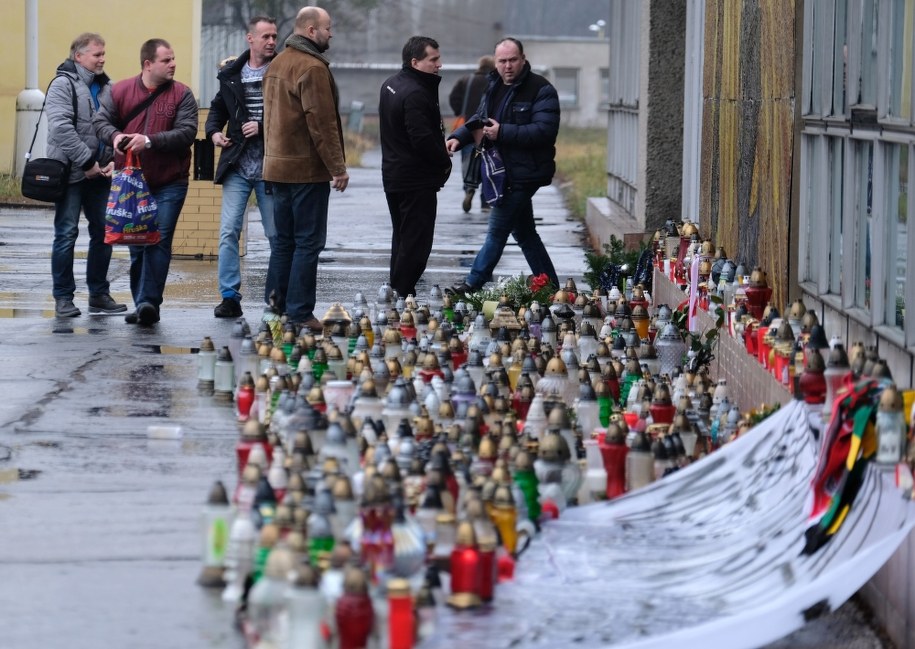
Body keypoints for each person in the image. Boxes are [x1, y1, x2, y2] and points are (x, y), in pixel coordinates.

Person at [94, 38, 198, 326]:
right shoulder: (120, 91)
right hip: (131, 182)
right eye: (167, 60)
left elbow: (187, 132)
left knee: (158, 239)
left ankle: (149, 301)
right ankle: (142, 303)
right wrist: (115, 137)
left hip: (170, 181)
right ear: (148, 64)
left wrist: (149, 141)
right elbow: (100, 122)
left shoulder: (182, 94)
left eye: (174, 58)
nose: (173, 64)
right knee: (137, 243)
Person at [446, 38, 560, 294]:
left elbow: (544, 131)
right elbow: (479, 119)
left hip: (524, 174)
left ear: (523, 58)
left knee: (496, 230)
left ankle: (472, 283)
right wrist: (458, 137)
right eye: (502, 61)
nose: (507, 66)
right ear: (495, 62)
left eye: (512, 60)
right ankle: (553, 288)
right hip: (501, 173)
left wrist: (503, 132)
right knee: (526, 235)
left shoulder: (541, 89)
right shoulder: (494, 86)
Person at [263, 6, 348, 333]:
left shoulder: (277, 63)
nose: (331, 33)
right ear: (311, 30)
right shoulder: (311, 67)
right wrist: (337, 167)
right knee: (308, 243)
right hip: (305, 171)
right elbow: (322, 123)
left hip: (276, 169)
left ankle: (276, 307)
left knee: (283, 243)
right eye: (328, 28)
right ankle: (299, 313)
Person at [47, 33, 125, 318]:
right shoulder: (62, 84)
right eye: (96, 54)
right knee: (66, 233)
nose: (102, 59)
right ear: (78, 56)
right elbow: (60, 128)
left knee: (104, 232)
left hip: (102, 173)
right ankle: (64, 298)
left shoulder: (108, 87)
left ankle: (98, 294)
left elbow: (117, 126)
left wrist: (114, 161)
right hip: (70, 174)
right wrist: (87, 162)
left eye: (104, 54)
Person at [206, 16, 278, 319]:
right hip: (237, 165)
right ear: (251, 39)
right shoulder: (231, 73)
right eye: (266, 37)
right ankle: (229, 297)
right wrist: (214, 133)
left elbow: (292, 117)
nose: (272, 42)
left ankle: (276, 295)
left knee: (277, 235)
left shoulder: (281, 72)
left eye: (275, 36)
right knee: (228, 233)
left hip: (271, 167)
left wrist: (261, 127)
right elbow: (217, 109)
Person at [379, 36, 452, 300]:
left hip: (395, 175)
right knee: (416, 245)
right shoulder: (416, 93)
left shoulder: (391, 84)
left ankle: (401, 293)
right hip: (415, 180)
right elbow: (421, 139)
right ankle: (398, 295)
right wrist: (444, 163)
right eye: (433, 60)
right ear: (415, 62)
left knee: (402, 240)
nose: (439, 65)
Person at [448, 55, 494, 214]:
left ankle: (468, 188)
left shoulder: (465, 80)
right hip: (488, 128)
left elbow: (453, 97)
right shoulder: (494, 82)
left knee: (468, 161)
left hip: (467, 127)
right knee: (487, 164)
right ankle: (486, 202)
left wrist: (460, 111)